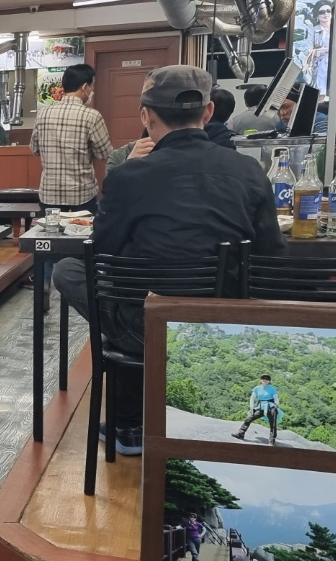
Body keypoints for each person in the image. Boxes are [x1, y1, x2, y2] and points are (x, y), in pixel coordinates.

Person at [52, 66, 286, 456]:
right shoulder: (248, 170)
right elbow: (271, 254)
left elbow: (104, 253)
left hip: (147, 325)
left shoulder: (128, 176)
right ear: (208, 112)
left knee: (70, 270)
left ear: (146, 116)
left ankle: (130, 423)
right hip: (221, 327)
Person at [30, 64, 109, 214]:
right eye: (92, 86)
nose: (92, 91)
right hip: (82, 194)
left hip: (50, 194)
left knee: (51, 230)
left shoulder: (42, 115)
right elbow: (104, 154)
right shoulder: (92, 116)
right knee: (83, 229)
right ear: (84, 87)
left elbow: (34, 149)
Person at [233, 374, 281, 444]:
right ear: (261, 380)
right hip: (261, 407)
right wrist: (251, 407)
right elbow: (252, 398)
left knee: (273, 423)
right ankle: (241, 433)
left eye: (267, 379)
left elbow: (276, 398)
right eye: (263, 378)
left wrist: (276, 405)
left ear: (269, 381)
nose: (265, 380)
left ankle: (272, 439)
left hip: (270, 407)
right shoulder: (257, 388)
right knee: (249, 418)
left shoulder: (272, 389)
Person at [301, 0, 333, 94]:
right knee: (320, 94)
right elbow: (307, 51)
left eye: (328, 11)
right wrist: (325, 50)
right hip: (319, 68)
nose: (326, 14)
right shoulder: (313, 30)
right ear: (317, 15)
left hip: (335, 65)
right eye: (322, 12)